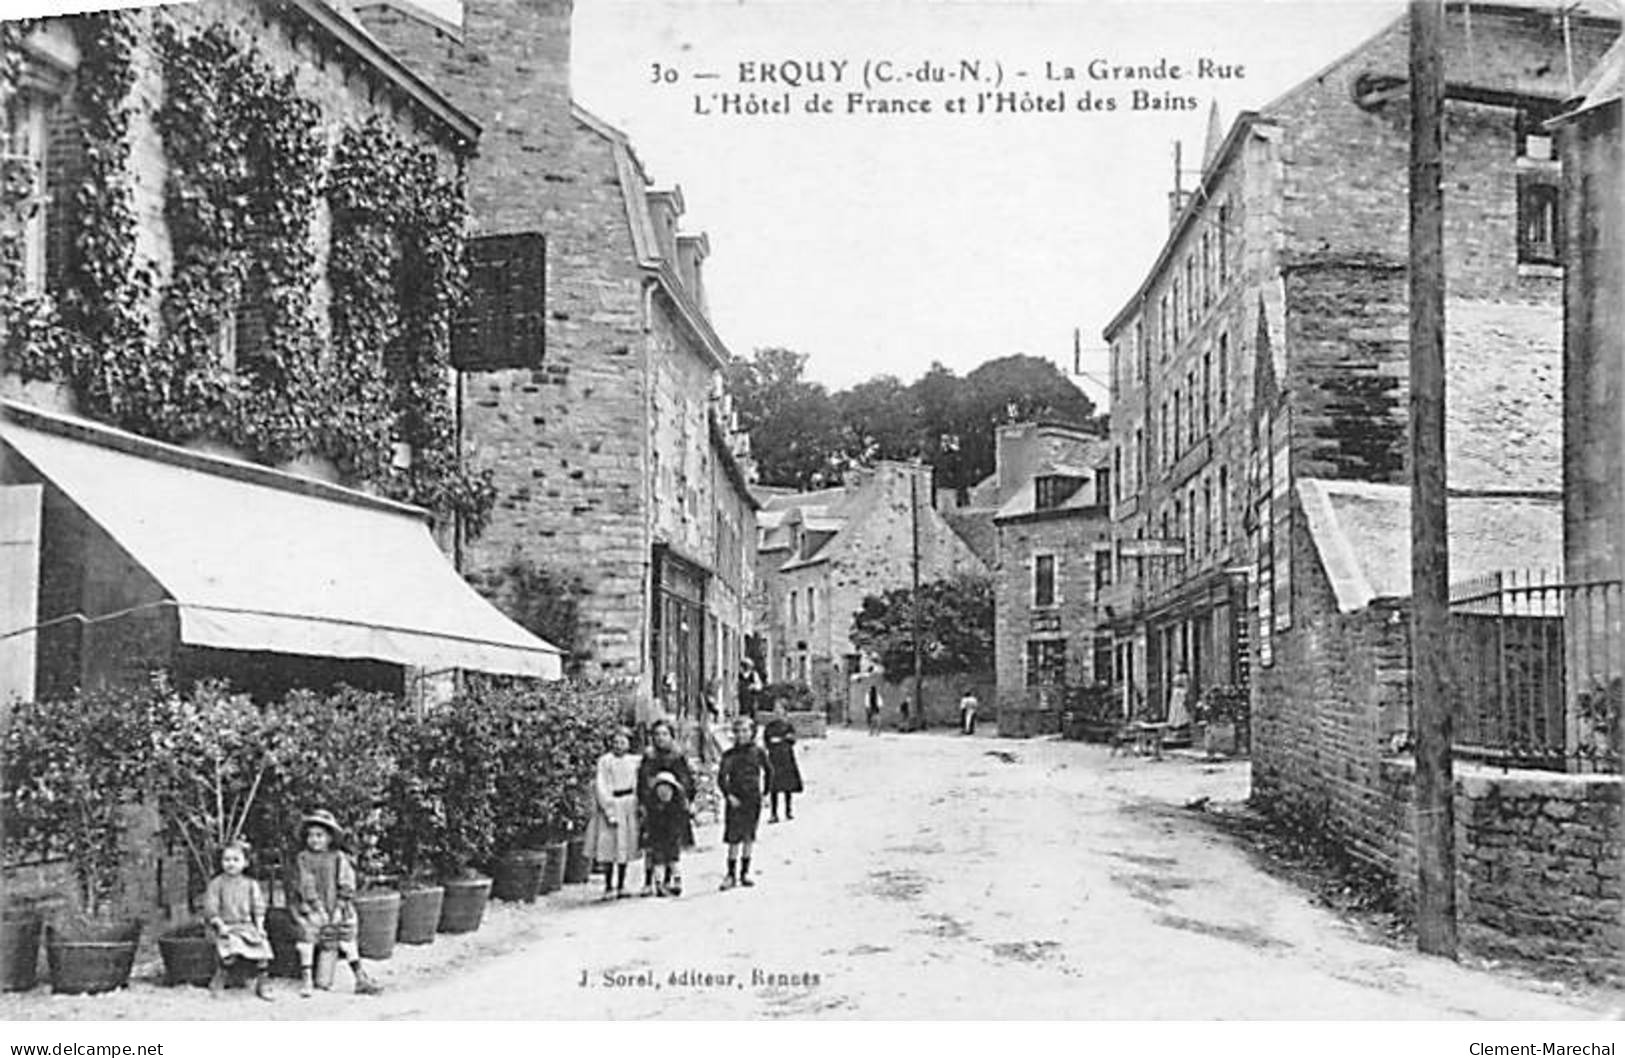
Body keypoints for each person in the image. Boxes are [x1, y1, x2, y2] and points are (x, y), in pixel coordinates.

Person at [288, 809, 381, 997]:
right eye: (311, 836)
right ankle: (306, 979)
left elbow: (346, 882)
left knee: (347, 936)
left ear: (329, 838)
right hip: (312, 907)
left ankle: (359, 977)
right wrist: (318, 909)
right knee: (307, 935)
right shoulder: (303, 858)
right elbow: (306, 884)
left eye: (320, 835)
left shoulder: (338, 857)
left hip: (335, 905)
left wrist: (339, 907)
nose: (314, 840)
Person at [202, 840, 273, 1001]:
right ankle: (220, 978)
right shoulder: (216, 884)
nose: (231, 864)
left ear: (246, 862)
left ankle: (263, 982)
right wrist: (220, 925)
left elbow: (258, 907)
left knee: (262, 947)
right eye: (226, 860)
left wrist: (260, 927)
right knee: (229, 947)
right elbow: (211, 909)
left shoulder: (250, 884)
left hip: (246, 925)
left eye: (236, 860)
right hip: (224, 925)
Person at [638, 718, 697, 897]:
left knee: (672, 843)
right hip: (654, 805)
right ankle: (650, 881)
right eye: (657, 734)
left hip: (674, 807)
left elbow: (686, 780)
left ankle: (671, 879)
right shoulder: (649, 757)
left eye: (665, 734)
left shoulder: (677, 757)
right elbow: (642, 781)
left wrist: (682, 794)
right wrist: (646, 798)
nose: (660, 738)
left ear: (672, 736)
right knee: (653, 845)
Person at [584, 727, 641, 900]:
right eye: (615, 742)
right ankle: (608, 885)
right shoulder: (605, 761)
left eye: (623, 742)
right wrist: (608, 809)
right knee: (608, 845)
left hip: (629, 804)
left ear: (629, 743)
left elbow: (639, 783)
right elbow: (601, 785)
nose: (619, 745)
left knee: (624, 845)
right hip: (611, 803)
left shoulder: (635, 761)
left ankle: (622, 885)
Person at [717, 715, 771, 889]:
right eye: (738, 731)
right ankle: (731, 874)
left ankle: (745, 872)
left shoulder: (758, 752)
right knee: (733, 837)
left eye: (746, 731)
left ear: (753, 732)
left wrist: (765, 793)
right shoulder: (730, 754)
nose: (742, 735)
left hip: (752, 798)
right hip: (735, 799)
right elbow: (721, 778)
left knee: (749, 835)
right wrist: (728, 795)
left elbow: (769, 771)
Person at [643, 772, 688, 896]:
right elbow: (649, 822)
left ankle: (675, 882)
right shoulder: (653, 807)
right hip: (658, 836)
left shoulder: (675, 807)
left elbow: (681, 821)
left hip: (670, 836)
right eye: (661, 789)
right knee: (659, 861)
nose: (664, 792)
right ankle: (659, 883)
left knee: (672, 860)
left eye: (667, 789)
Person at [762, 702, 803, 823]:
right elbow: (766, 741)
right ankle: (774, 813)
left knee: (787, 785)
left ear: (784, 712)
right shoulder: (770, 726)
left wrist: (784, 739)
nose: (777, 712)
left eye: (780, 710)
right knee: (774, 785)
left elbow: (792, 739)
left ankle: (788, 811)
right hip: (774, 757)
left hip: (786, 757)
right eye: (775, 710)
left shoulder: (788, 725)